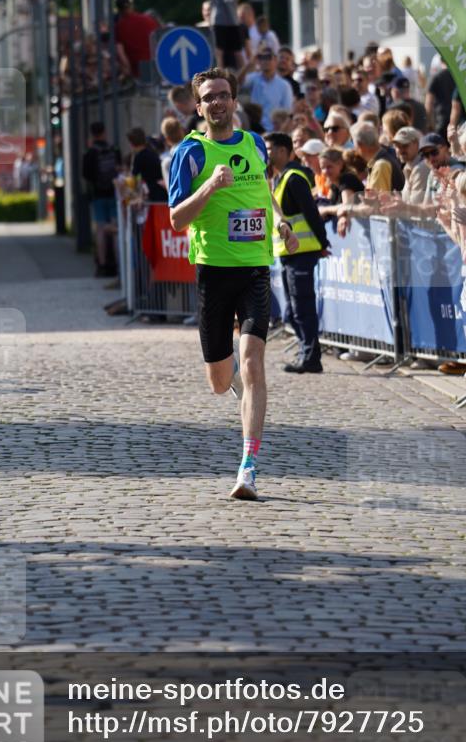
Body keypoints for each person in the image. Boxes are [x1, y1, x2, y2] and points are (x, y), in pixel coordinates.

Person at [168, 68, 297, 501]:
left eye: (224, 94)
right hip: (213, 272)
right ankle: (237, 387)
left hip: (256, 268)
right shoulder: (190, 152)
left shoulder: (255, 143)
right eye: (209, 97)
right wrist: (209, 186)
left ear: (235, 101)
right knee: (221, 381)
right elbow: (176, 218)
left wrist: (281, 222)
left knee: (255, 362)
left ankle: (248, 467)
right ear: (199, 107)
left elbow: (262, 186)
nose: (218, 102)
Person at [266, 131, 328, 374]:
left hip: (303, 252)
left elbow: (311, 213)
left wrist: (322, 243)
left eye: (270, 149)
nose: (267, 153)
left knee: (301, 308)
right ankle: (307, 352)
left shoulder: (294, 178)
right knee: (292, 311)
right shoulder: (280, 178)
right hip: (289, 253)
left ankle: (311, 357)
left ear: (283, 151)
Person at [82, 121, 121, 276]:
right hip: (113, 193)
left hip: (98, 195)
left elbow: (85, 174)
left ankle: (102, 264)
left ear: (92, 134)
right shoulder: (114, 149)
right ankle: (119, 264)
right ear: (104, 132)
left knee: (100, 230)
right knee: (116, 229)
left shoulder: (90, 152)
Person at [239, 48, 293, 130]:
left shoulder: (284, 85)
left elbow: (287, 112)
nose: (265, 61)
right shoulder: (254, 78)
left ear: (275, 60)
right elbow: (237, 82)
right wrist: (249, 64)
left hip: (272, 129)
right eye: (262, 57)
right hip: (254, 127)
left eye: (268, 57)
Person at [114, 0, 159, 78]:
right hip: (155, 65)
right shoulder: (148, 20)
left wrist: (127, 68)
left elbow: (120, 51)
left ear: (118, 9)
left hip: (137, 69)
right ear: (131, 6)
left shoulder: (119, 27)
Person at [128, 127, 168, 203]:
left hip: (154, 193)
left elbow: (133, 179)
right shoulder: (152, 151)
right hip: (163, 190)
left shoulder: (138, 157)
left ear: (131, 143)